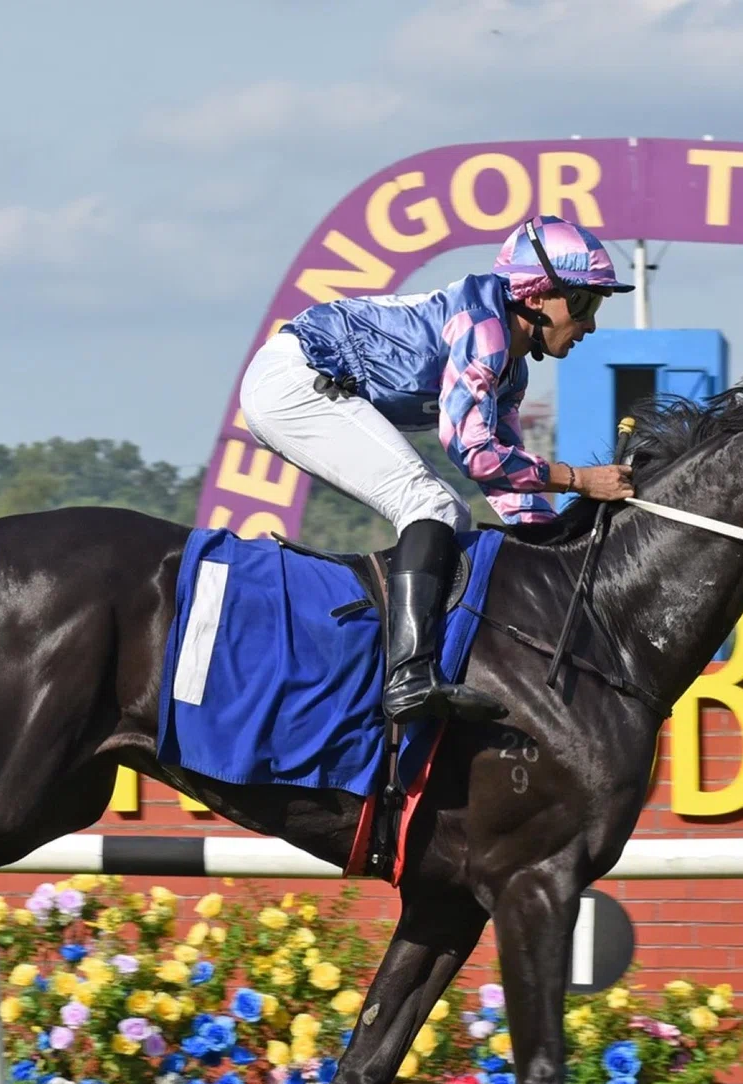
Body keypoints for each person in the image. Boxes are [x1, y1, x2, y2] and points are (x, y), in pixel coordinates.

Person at [238, 214, 637, 725]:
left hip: (306, 380)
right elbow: (472, 452)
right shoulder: (484, 329)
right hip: (293, 381)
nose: (590, 324)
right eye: (582, 303)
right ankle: (409, 678)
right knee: (432, 504)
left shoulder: (510, 366)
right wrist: (580, 480)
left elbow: (507, 478)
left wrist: (562, 555)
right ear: (535, 297)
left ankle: (415, 668)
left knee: (448, 510)